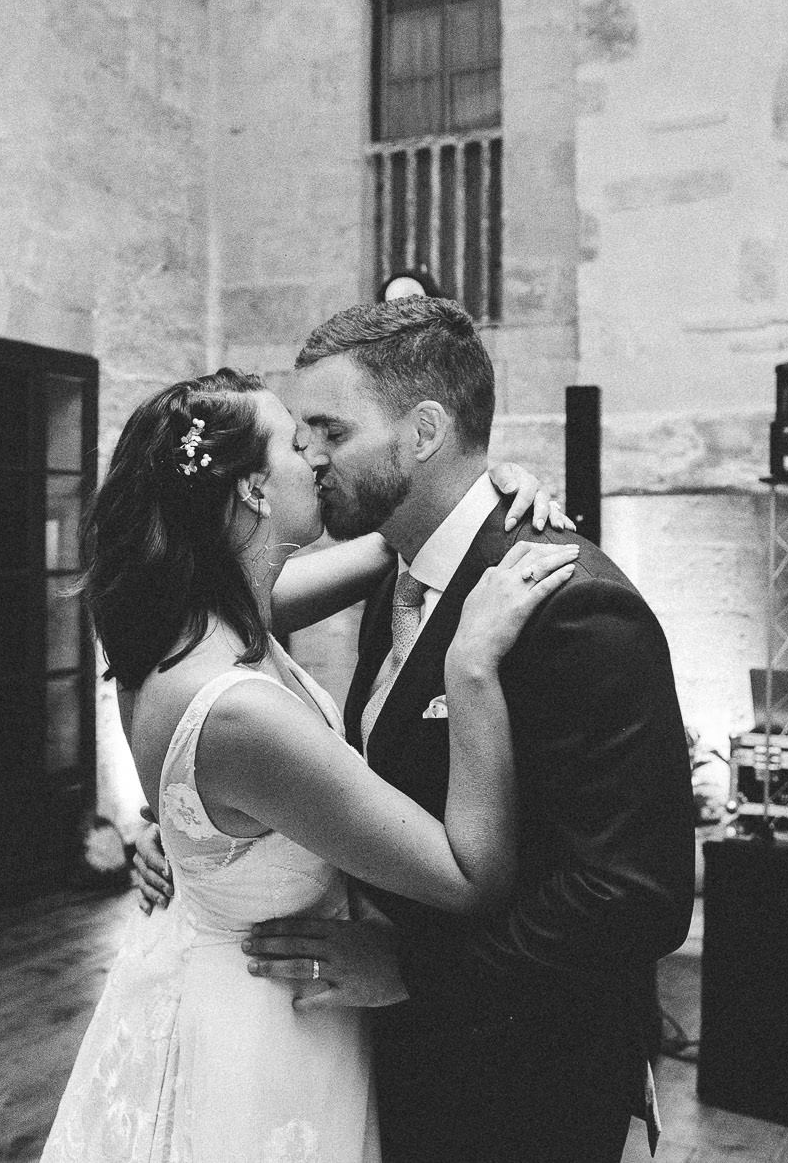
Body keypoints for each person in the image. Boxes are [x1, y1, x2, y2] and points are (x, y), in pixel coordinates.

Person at [39, 368, 576, 1163]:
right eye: (299, 443)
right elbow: (471, 875)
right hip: (263, 1033)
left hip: (219, 981)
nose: (318, 458)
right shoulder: (242, 714)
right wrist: (469, 671)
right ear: (254, 489)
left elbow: (392, 547)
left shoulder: (189, 615)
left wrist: (483, 496)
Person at [242, 297, 695, 1163]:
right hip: (418, 1061)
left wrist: (413, 970)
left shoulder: (575, 605)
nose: (309, 455)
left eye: (331, 429)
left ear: (423, 431)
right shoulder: (402, 571)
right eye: (302, 432)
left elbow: (635, 896)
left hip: (528, 1080)